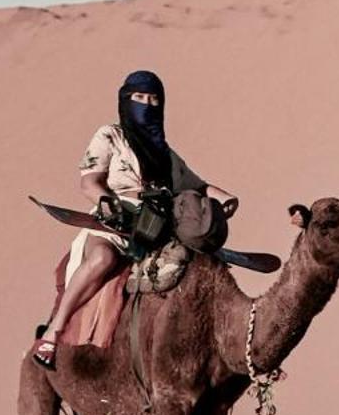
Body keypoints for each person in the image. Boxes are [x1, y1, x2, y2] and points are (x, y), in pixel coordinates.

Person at [31, 70, 232, 368]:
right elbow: (89, 182)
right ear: (125, 101)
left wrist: (226, 199)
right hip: (113, 224)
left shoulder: (166, 154)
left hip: (161, 229)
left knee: (206, 272)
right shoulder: (110, 136)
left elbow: (198, 186)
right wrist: (107, 203)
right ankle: (53, 332)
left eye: (153, 99)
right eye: (139, 98)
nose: (147, 105)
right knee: (101, 260)